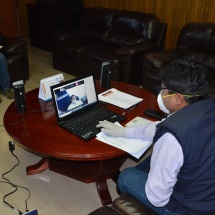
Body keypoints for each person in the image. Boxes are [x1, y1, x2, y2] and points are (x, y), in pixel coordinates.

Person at [96, 59, 215, 215]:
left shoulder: (171, 138)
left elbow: (157, 198)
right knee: (151, 161)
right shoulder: (208, 105)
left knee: (126, 176)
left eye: (163, 90)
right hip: (207, 193)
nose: (160, 93)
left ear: (177, 98)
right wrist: (123, 131)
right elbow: (157, 128)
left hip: (189, 209)